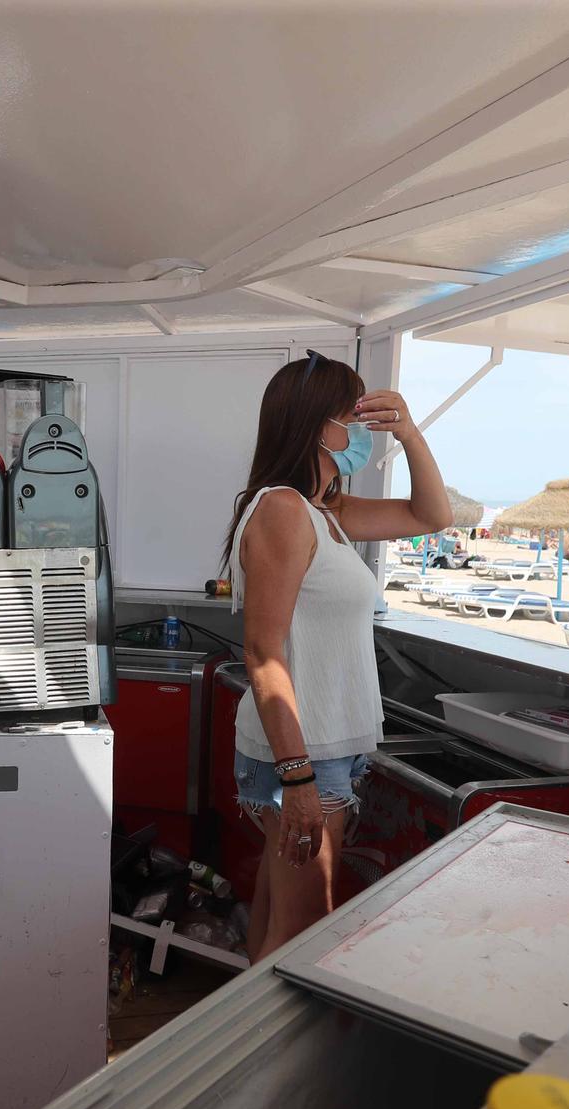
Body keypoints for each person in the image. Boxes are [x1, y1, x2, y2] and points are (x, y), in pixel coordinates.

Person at [223, 351, 451, 961]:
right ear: (317, 424)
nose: (361, 426)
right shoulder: (283, 510)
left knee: (278, 922)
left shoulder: (328, 514)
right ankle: (269, 1054)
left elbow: (433, 515)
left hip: (325, 750)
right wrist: (297, 777)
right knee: (302, 938)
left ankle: (246, 1050)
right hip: (304, 757)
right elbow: (262, 651)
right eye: (352, 412)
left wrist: (408, 431)